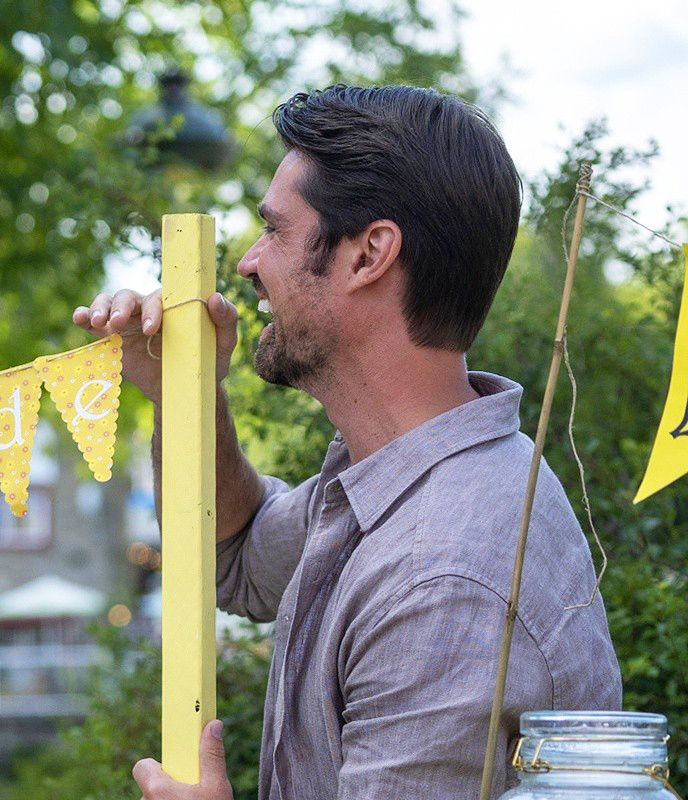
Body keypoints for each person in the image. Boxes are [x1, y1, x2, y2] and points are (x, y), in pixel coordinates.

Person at [73, 86, 621, 799]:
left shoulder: (441, 578)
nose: (246, 263)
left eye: (274, 230)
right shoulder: (403, 474)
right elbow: (231, 554)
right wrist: (183, 392)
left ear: (369, 255)